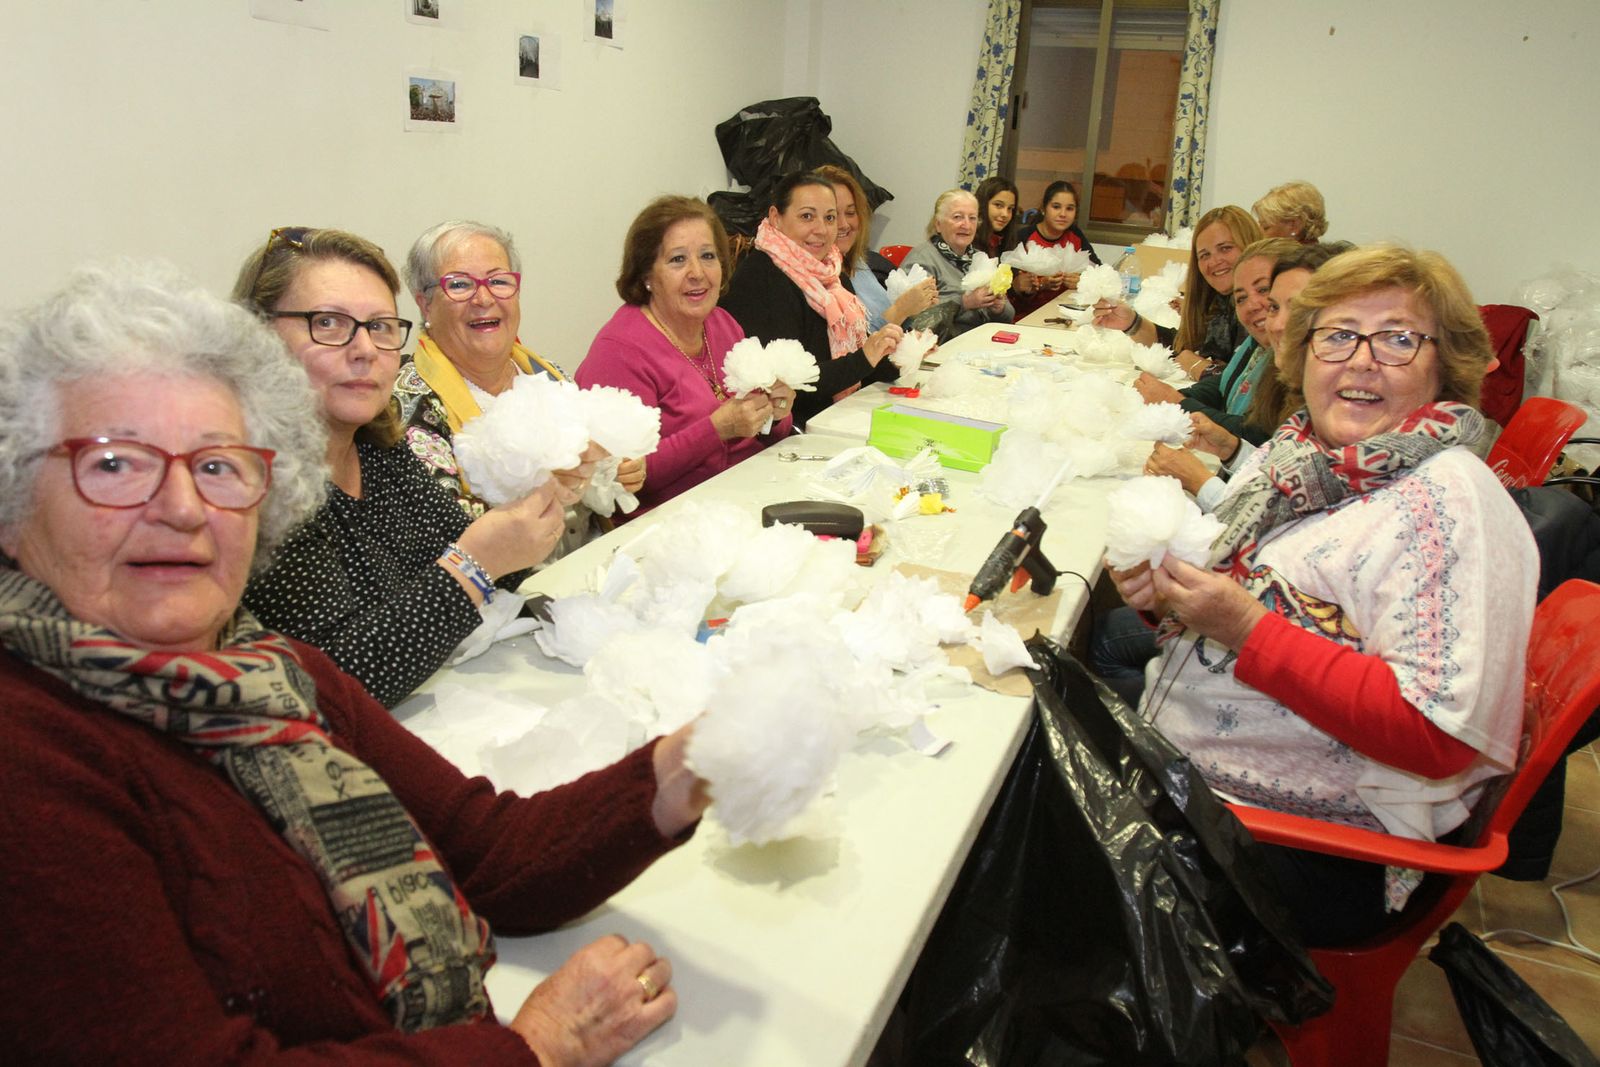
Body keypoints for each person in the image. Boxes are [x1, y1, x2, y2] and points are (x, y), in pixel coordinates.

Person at [0, 262, 711, 1062]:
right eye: (115, 463)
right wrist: (537, 1047)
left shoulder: (274, 672)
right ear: (13, 501)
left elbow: (487, 851)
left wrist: (691, 765)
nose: (181, 506)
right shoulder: (32, 759)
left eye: (217, 465)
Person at [1108, 244, 1537, 946]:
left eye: (1398, 338)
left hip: (1318, 849)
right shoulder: (1304, 458)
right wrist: (1169, 597)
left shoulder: (1449, 503)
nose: (1362, 360)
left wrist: (1246, 628)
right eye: (1337, 335)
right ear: (1302, 354)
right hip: (1214, 783)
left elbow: (1437, 732)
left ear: (1445, 364)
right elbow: (1267, 601)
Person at [235, 227, 575, 707]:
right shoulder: (254, 485)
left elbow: (489, 561)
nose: (366, 350)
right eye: (329, 323)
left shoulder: (378, 450)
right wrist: (474, 566)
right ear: (258, 336)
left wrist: (544, 504)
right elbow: (336, 683)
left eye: (379, 326)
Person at [394, 219, 641, 552]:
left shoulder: (546, 374)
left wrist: (616, 470)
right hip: (494, 590)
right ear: (425, 303)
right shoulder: (407, 404)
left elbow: (597, 480)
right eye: (460, 285)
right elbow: (448, 530)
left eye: (498, 281)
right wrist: (557, 485)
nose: (483, 298)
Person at [575, 195, 796, 511]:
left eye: (708, 256)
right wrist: (716, 430)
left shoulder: (722, 323)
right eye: (677, 260)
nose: (697, 273)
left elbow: (764, 436)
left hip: (747, 494)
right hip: (671, 524)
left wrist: (776, 413)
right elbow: (627, 482)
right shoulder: (619, 353)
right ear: (647, 276)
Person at [723, 171, 906, 428]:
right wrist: (865, 359)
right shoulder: (762, 278)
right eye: (807, 216)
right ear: (776, 218)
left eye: (829, 218)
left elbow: (856, 359)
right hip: (789, 429)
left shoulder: (831, 271)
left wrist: (895, 356)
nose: (821, 230)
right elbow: (789, 382)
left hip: (833, 415)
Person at [1093, 205, 1264, 380]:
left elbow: (1248, 385)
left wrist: (1200, 368)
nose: (1214, 261)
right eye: (1204, 255)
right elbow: (1184, 350)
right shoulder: (1217, 301)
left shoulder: (1263, 308)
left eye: (1225, 248)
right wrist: (1131, 323)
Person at [815, 164, 937, 333]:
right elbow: (860, 345)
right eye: (832, 216)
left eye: (850, 213)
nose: (844, 224)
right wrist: (902, 309)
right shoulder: (817, 279)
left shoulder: (858, 263)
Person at [899, 188, 1015, 340]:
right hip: (941, 349)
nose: (966, 225)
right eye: (957, 217)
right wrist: (964, 302)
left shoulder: (978, 257)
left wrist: (998, 308)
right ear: (938, 224)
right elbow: (915, 322)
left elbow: (1009, 316)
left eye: (972, 218)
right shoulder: (922, 260)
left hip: (981, 342)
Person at [1009, 179, 1103, 319]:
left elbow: (1099, 271)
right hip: (1029, 316)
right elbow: (1011, 291)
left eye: (1070, 208)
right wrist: (1040, 285)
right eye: (1056, 207)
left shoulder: (1075, 235)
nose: (1063, 214)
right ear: (1043, 208)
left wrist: (1082, 281)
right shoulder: (1024, 237)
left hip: (1067, 313)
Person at [1253, 180, 1329, 244]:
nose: (1259, 233)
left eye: (1266, 227)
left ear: (1294, 226)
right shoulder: (1324, 258)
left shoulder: (1300, 261)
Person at [972, 175, 1020, 258]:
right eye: (998, 205)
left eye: (1010, 208)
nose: (1005, 214)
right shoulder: (968, 239)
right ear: (982, 203)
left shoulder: (1006, 241)